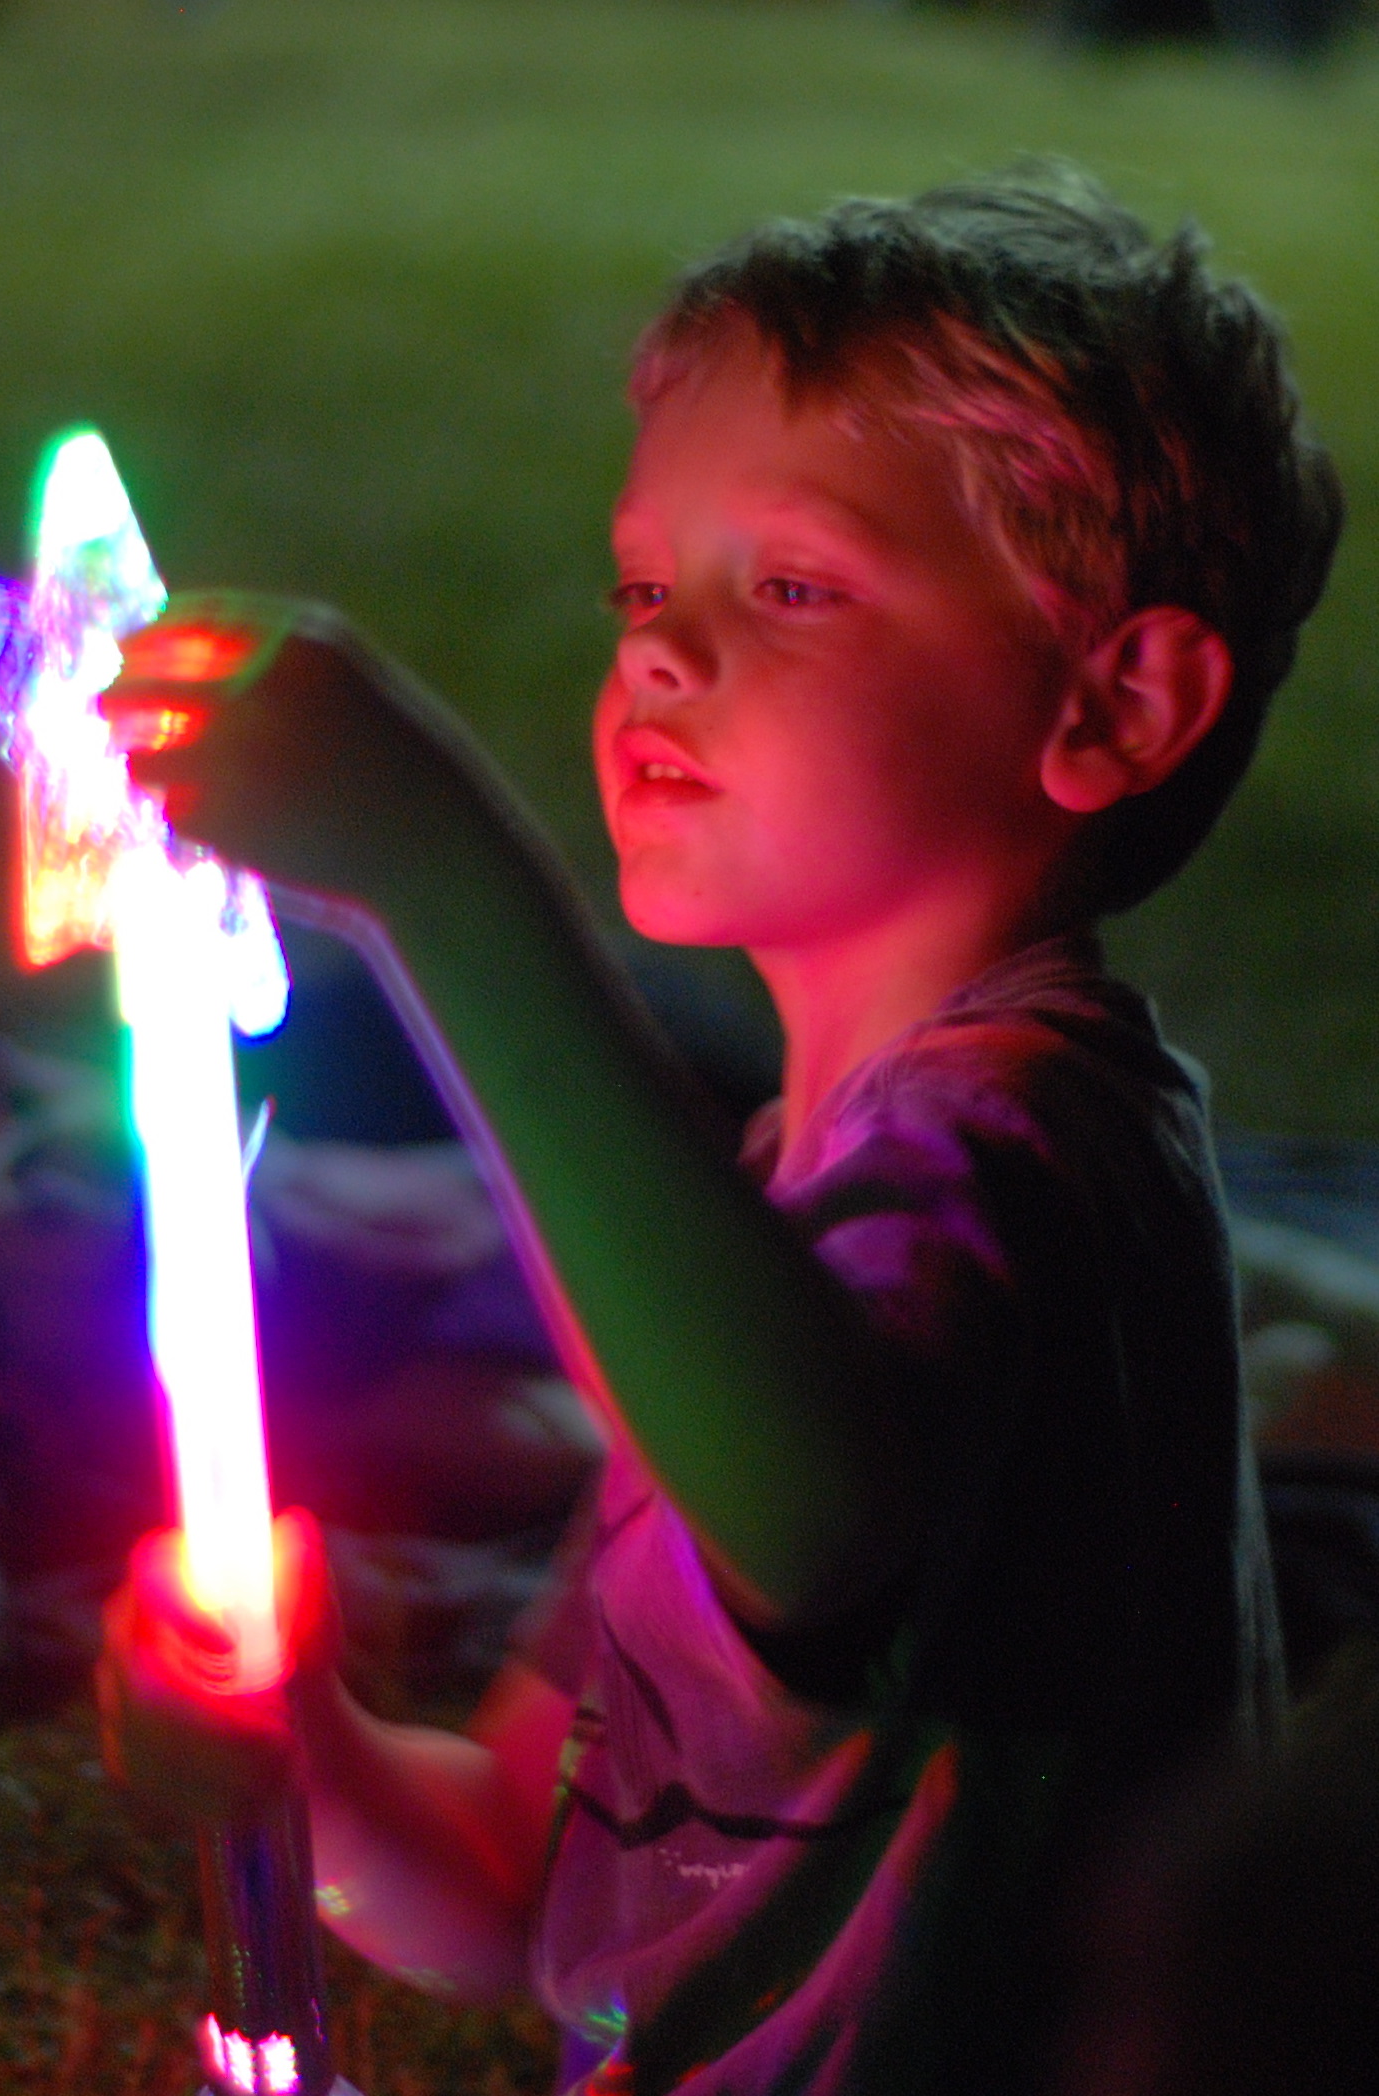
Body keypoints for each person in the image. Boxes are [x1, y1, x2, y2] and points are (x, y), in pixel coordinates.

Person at [96, 164, 1343, 2096]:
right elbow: (513, 1884)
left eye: (790, 587)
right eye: (642, 588)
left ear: (1116, 702)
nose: (660, 651)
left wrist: (440, 876)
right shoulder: (773, 1220)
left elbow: (815, 1517)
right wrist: (308, 1754)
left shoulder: (1030, 1153)